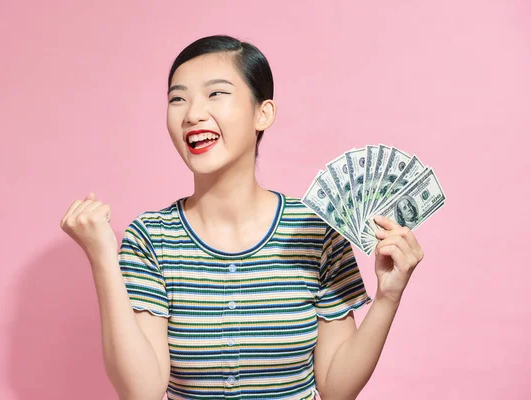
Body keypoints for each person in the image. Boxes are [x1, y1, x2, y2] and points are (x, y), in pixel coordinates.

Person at [60, 35, 425, 400]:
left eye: (215, 94)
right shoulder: (151, 238)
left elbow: (335, 387)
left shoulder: (315, 230)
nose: (192, 114)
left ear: (262, 113)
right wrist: (103, 258)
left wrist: (388, 298)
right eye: (178, 98)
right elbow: (142, 393)